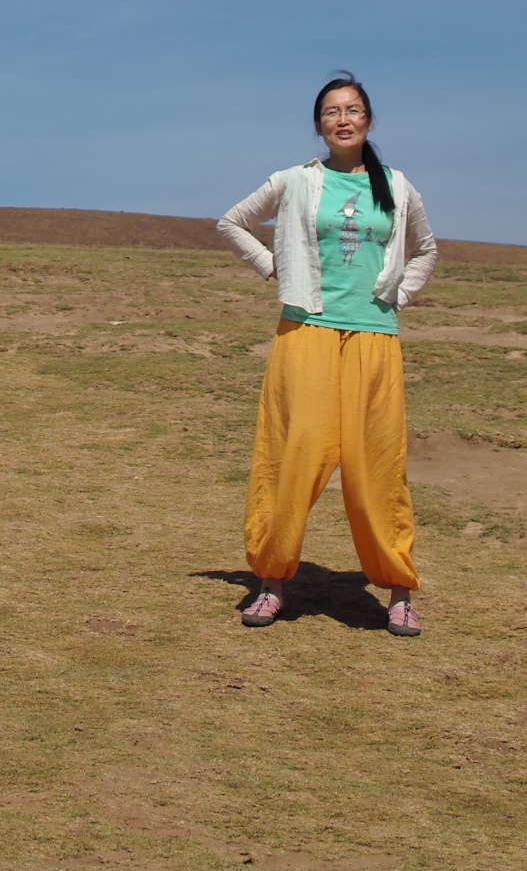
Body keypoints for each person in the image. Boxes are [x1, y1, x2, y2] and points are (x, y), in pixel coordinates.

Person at [216, 73, 438, 634]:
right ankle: (270, 583)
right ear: (319, 125)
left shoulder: (398, 186)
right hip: (306, 333)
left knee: (377, 466)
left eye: (353, 110)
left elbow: (426, 249)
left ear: (368, 120)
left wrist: (400, 294)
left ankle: (400, 591)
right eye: (332, 112)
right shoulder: (294, 181)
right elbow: (232, 221)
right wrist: (275, 267)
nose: (343, 119)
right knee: (294, 456)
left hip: (374, 338)